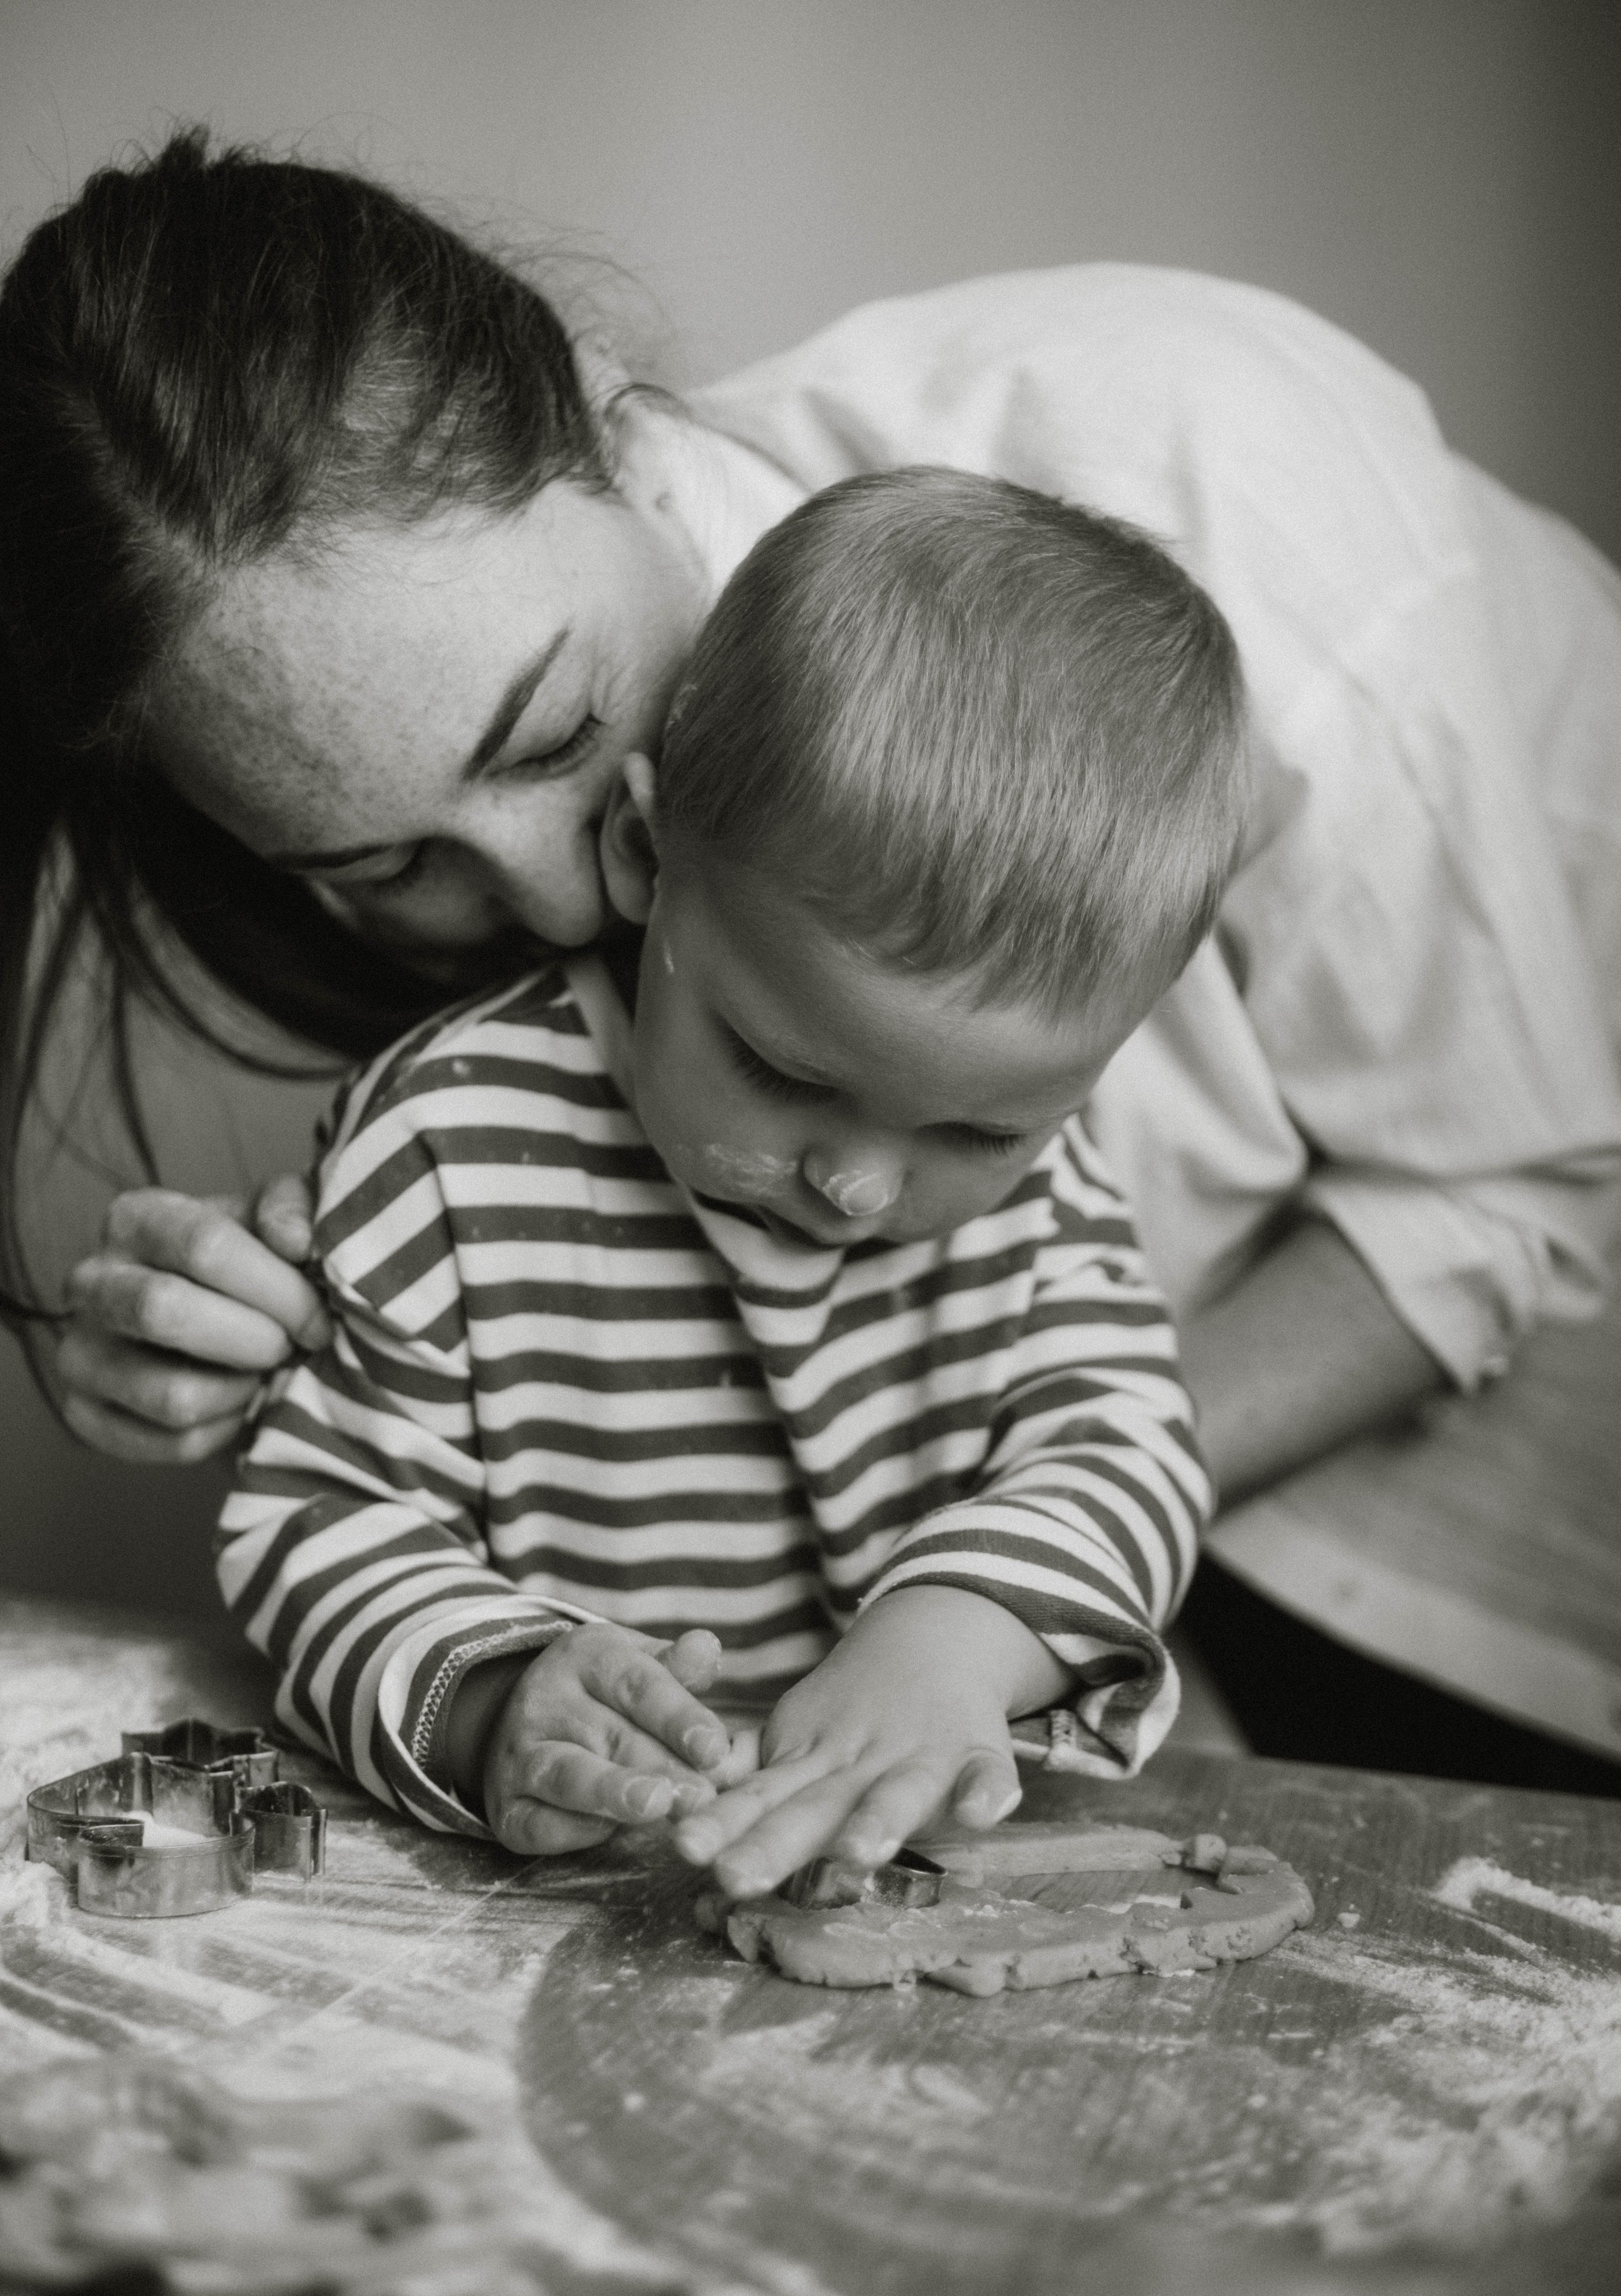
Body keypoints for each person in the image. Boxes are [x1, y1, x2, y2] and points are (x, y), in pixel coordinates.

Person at [4, 134, 1620, 1791]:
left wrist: (986, 1585)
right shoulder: (488, 1002)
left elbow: (1490, 1201)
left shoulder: (1212, 465)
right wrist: (272, 1331)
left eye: (556, 733)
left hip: (1504, 1478)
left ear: (606, 416)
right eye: (382, 866)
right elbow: (441, 1393)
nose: (565, 907)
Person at [217, 467, 1237, 1889]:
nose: (861, 1189)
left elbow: (1123, 1449)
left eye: (976, 1135)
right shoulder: (445, 1144)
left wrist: (949, 1643)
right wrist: (495, 1703)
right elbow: (317, 1519)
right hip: (548, 1890)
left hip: (913, 1872)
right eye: (788, 1073)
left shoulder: (1042, 1188)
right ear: (646, 858)